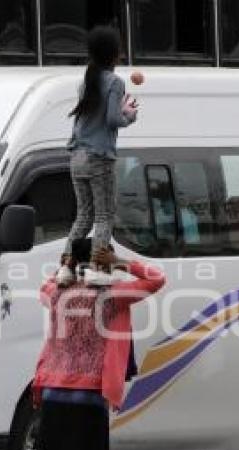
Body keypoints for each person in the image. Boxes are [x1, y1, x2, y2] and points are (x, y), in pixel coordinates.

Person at [33, 238, 165, 450]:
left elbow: (45, 285)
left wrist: (64, 267)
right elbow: (156, 278)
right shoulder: (111, 297)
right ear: (100, 264)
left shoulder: (59, 294)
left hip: (52, 388)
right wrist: (122, 262)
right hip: (88, 393)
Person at [57, 26, 139, 288]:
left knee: (84, 216)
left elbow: (93, 117)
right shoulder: (115, 82)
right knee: (105, 216)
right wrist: (129, 115)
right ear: (114, 54)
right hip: (99, 157)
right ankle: (96, 267)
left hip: (77, 156)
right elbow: (113, 119)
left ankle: (66, 268)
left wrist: (119, 108)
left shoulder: (87, 81)